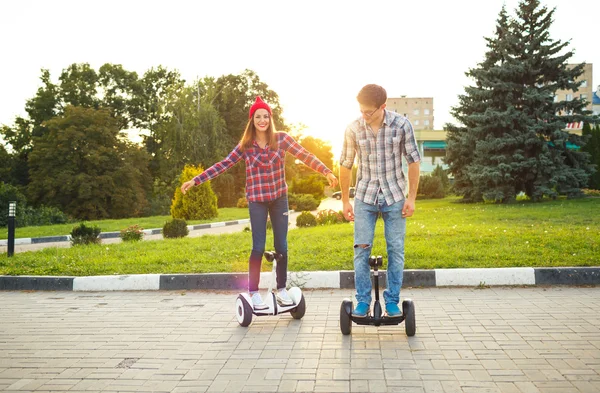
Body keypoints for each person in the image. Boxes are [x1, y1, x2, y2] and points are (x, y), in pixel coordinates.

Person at [181, 96, 338, 310]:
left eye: (265, 116)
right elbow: (224, 164)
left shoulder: (281, 139)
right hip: (256, 201)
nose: (262, 120)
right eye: (258, 116)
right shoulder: (246, 146)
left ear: (270, 118)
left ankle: (281, 289)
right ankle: (253, 292)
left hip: (279, 199)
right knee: (258, 247)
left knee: (281, 246)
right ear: (252, 120)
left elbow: (305, 155)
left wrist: (326, 171)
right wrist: (196, 180)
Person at [338, 84, 421, 318]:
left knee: (396, 250)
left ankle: (392, 301)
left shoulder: (402, 125)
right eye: (361, 110)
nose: (364, 115)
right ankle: (362, 301)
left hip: (395, 197)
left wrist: (411, 198)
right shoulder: (353, 128)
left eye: (369, 111)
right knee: (361, 250)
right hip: (365, 197)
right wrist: (345, 200)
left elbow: (414, 161)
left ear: (383, 106)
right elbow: (345, 165)